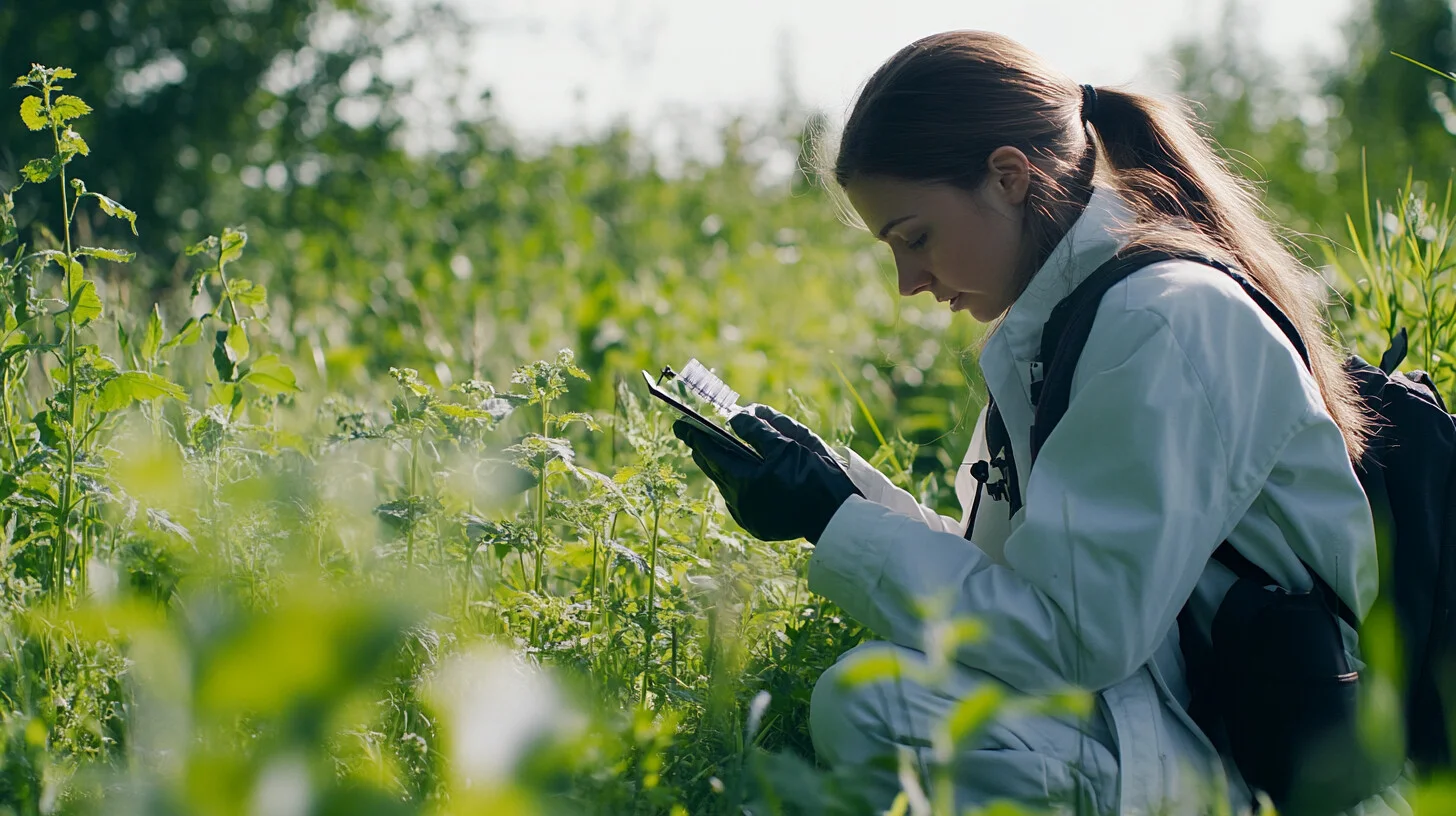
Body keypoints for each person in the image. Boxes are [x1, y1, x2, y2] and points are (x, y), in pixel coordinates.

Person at [671, 29, 1412, 816]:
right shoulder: (1073, 320)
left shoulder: (1163, 322)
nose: (907, 281)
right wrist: (835, 493)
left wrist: (833, 522)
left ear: (1009, 178)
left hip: (1258, 764)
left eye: (914, 237)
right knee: (874, 694)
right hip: (1171, 715)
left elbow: (1070, 639)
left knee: (874, 702)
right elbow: (1013, 581)